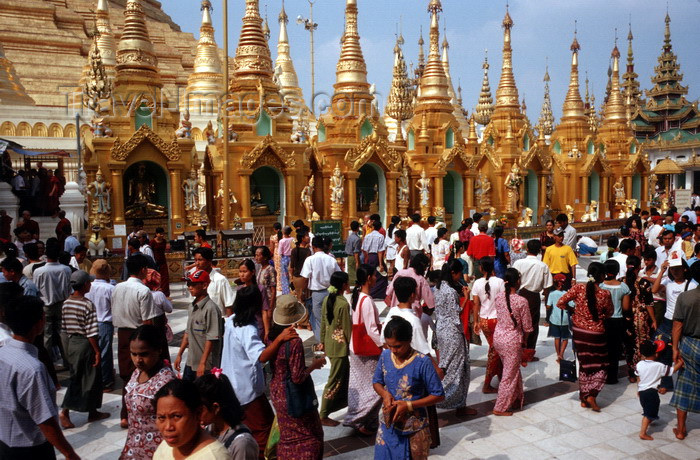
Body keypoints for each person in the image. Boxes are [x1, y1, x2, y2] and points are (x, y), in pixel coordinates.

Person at [0, 295, 80, 460]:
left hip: (5, 442)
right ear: (40, 321)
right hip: (30, 449)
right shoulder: (32, 369)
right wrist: (69, 453)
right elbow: (45, 420)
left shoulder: (3, 353)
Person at [221, 286, 295, 459]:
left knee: (245, 426)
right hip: (247, 390)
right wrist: (279, 339)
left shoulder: (231, 320)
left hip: (231, 385)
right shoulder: (247, 329)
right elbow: (261, 356)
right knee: (264, 431)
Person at [372, 317, 445, 460]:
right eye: (389, 345)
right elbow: (376, 381)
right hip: (389, 424)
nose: (393, 350)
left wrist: (408, 405)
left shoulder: (422, 362)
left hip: (414, 429)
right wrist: (385, 395)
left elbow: (438, 395)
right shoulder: (385, 355)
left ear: (409, 340)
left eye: (398, 346)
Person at [268, 295, 325, 459]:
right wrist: (314, 365)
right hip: (293, 396)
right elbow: (298, 377)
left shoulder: (272, 337)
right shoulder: (294, 342)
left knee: (287, 436)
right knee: (310, 435)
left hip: (277, 392)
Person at [112, 253, 161, 427]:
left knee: (126, 375)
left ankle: (124, 415)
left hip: (122, 334)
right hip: (139, 335)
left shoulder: (117, 287)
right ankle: (140, 412)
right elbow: (147, 321)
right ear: (143, 270)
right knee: (143, 374)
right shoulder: (143, 290)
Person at [557, 263, 613, 411]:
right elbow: (609, 313)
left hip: (579, 333)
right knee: (600, 365)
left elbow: (560, 302)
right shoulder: (605, 294)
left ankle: (584, 397)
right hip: (596, 334)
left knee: (584, 363)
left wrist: (574, 310)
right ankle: (592, 395)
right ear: (601, 276)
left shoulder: (578, 288)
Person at [59, 270, 108, 428]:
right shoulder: (87, 304)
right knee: (83, 377)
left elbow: (65, 327)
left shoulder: (66, 302)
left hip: (72, 342)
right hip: (86, 344)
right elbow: (91, 332)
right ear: (85, 284)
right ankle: (65, 411)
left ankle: (92, 411)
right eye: (89, 282)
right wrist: (97, 351)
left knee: (85, 376)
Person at [121, 325, 177, 459]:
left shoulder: (166, 382)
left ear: (158, 350)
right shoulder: (137, 373)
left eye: (144, 354)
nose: (138, 360)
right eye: (133, 354)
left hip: (156, 451)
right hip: (133, 447)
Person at [345, 265, 384, 435]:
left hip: (356, 347)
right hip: (367, 350)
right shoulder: (366, 300)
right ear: (368, 278)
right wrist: (384, 345)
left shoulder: (357, 297)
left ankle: (363, 419)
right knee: (375, 386)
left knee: (361, 386)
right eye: (374, 276)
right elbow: (371, 329)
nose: (376, 278)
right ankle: (360, 419)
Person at [433, 260, 475, 417]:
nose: (459, 277)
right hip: (452, 333)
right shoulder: (450, 292)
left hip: (442, 332)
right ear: (453, 273)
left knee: (447, 366)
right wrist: (466, 297)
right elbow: (456, 313)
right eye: (458, 273)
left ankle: (452, 400)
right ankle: (452, 401)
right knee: (459, 369)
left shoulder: (437, 288)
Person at [652, 255, 697, 391]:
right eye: (672, 269)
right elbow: (654, 290)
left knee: (682, 352)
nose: (675, 271)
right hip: (667, 321)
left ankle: (687, 383)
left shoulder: (692, 285)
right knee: (662, 350)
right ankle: (666, 383)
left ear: (684, 269)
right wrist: (662, 270)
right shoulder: (667, 283)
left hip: (683, 322)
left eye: (677, 268)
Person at [153, 379, 230, 459]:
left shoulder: (214, 456)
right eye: (161, 417)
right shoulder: (165, 447)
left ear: (198, 413)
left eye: (177, 416)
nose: (168, 427)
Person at [195, 373, 259, 459]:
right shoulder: (209, 430)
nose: (195, 415)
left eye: (199, 411)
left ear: (216, 408)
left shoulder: (241, 444)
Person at [670, 263, 700, 440]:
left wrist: (674, 348)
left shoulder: (685, 297)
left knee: (684, 386)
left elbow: (677, 325)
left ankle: (681, 430)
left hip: (689, 344)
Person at [175, 269, 222, 381]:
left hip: (205, 365)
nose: (189, 287)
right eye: (188, 284)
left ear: (204, 285)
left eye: (193, 284)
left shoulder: (211, 309)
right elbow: (187, 333)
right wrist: (179, 354)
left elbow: (211, 338)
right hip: (191, 361)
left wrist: (203, 363)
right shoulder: (192, 307)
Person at [319, 271, 351, 426]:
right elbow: (347, 330)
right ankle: (323, 413)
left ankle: (338, 405)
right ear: (344, 285)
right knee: (334, 380)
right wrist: (350, 347)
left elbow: (324, 323)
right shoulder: (343, 304)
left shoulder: (327, 299)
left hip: (330, 345)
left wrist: (323, 342)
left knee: (341, 377)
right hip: (340, 348)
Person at [512, 239, 552, 360]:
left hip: (519, 294)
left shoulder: (518, 263)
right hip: (534, 296)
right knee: (532, 324)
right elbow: (547, 287)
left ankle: (517, 350)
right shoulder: (543, 266)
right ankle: (528, 352)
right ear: (539, 251)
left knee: (518, 322)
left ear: (527, 249)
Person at [33, 241, 71, 366]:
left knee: (47, 335)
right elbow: (68, 288)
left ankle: (47, 362)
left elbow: (36, 289)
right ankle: (67, 360)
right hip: (62, 304)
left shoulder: (39, 271)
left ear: (45, 254)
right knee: (62, 332)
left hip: (46, 305)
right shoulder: (65, 269)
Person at [637, 340, 683, 441]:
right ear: (656, 353)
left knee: (648, 408)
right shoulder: (659, 366)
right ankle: (643, 433)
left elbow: (638, 377)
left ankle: (650, 418)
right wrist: (680, 362)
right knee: (648, 413)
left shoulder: (639, 364)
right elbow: (672, 371)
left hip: (642, 392)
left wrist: (639, 388)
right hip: (651, 393)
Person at [472, 257, 505, 393]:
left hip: (484, 321)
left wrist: (475, 321)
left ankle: (501, 376)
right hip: (497, 320)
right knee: (495, 352)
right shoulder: (499, 282)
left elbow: (476, 304)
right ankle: (487, 383)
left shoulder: (476, 283)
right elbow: (504, 302)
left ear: (481, 268)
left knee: (495, 350)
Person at [300, 236, 341, 340]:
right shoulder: (331, 259)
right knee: (330, 318)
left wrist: (302, 293)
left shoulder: (310, 260)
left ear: (313, 247)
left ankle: (321, 342)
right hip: (331, 292)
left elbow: (305, 279)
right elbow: (339, 275)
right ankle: (331, 340)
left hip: (317, 294)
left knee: (318, 320)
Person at [385, 253, 435, 338]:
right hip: (413, 314)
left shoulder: (399, 273)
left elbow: (388, 292)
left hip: (396, 313)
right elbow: (431, 303)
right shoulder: (421, 279)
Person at [85, 259, 116, 391]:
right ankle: (105, 381)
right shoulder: (110, 288)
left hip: (89, 322)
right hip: (104, 323)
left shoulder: (88, 286)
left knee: (93, 352)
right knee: (104, 352)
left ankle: (95, 379)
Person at [600, 260, 632, 384]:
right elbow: (626, 307)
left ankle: (601, 375)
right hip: (617, 320)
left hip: (603, 320)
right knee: (614, 350)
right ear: (617, 271)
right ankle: (612, 377)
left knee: (603, 348)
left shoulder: (601, 285)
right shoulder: (623, 287)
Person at [190, 247, 234, 317]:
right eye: (195, 260)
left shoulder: (220, 280)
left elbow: (229, 305)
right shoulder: (194, 279)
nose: (197, 263)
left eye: (200, 260)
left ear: (209, 261)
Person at [547, 274, 571, 362]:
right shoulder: (567, 294)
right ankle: (561, 354)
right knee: (565, 338)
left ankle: (558, 355)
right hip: (565, 319)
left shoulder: (552, 294)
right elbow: (572, 304)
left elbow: (548, 306)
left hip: (554, 319)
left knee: (557, 338)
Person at [362, 220, 388, 299]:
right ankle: (376, 293)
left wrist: (366, 257)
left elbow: (363, 249)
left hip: (369, 256)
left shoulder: (367, 236)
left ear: (373, 227)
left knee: (371, 274)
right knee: (381, 275)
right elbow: (380, 251)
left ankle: (371, 291)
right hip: (377, 257)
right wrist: (380, 263)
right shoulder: (380, 236)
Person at [290, 229, 311, 304]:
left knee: (299, 299)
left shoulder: (294, 250)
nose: (309, 237)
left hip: (296, 278)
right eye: (307, 236)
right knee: (305, 300)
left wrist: (291, 279)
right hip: (304, 278)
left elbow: (291, 267)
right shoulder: (308, 251)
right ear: (302, 238)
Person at [151, 227, 170, 297]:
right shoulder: (152, 242)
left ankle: (165, 294)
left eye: (163, 234)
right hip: (156, 262)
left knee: (165, 278)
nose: (162, 235)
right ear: (156, 234)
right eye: (160, 234)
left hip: (163, 261)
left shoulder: (164, 241)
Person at [345, 221, 362, 286]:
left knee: (350, 271)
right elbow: (356, 252)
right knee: (355, 273)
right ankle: (355, 285)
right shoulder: (357, 239)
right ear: (358, 228)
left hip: (349, 257)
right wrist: (357, 262)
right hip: (354, 257)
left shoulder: (349, 237)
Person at [278, 226, 294, 295]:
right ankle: (293, 290)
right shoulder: (293, 239)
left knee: (285, 275)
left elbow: (280, 252)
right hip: (292, 258)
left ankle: (286, 291)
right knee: (292, 274)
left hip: (284, 258)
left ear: (283, 232)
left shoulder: (282, 241)